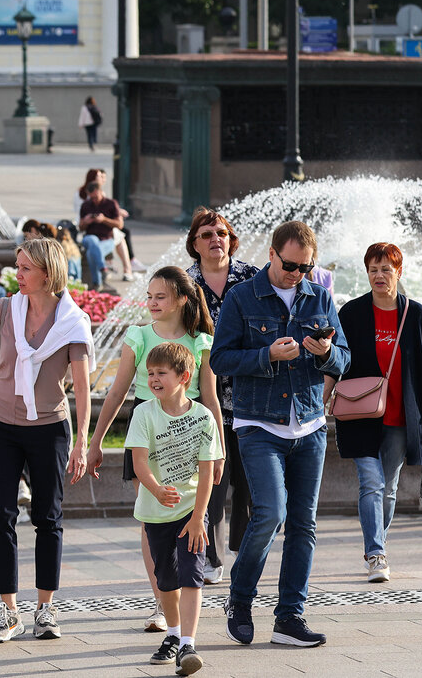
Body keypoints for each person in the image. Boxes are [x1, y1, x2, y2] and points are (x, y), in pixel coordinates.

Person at [210, 220, 349, 648]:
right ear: (271, 254)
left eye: (306, 268)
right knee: (270, 513)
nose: (297, 275)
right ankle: (240, 598)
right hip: (259, 423)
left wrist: (326, 353)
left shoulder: (321, 297)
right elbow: (220, 359)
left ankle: (290, 617)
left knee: (304, 524)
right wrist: (265, 354)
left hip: (309, 424)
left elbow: (344, 360)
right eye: (290, 265)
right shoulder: (241, 296)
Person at [0, 238, 94, 644]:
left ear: (47, 273)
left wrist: (82, 442)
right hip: (1, 423)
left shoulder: (73, 321)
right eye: (16, 266)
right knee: (1, 515)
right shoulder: (4, 309)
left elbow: (84, 389)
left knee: (47, 518)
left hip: (50, 427)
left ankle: (45, 608)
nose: (16, 274)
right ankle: (8, 610)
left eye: (24, 268)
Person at [83, 265, 223, 633]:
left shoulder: (201, 340)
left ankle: (181, 603)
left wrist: (219, 447)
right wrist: (95, 441)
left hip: (191, 432)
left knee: (190, 515)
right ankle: (162, 603)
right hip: (146, 431)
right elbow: (116, 392)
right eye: (149, 296)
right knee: (152, 521)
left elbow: (210, 397)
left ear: (181, 299)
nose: (152, 303)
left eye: (160, 296)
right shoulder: (138, 335)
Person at [328, 242, 422, 584]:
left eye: (386, 269)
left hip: (400, 416)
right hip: (360, 413)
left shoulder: (417, 315)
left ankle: (378, 543)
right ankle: (376, 553)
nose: (379, 275)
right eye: (373, 269)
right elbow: (339, 360)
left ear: (398, 272)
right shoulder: (351, 313)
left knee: (388, 489)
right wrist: (322, 396)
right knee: (372, 483)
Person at [128, 342, 223, 676]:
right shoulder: (143, 413)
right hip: (155, 512)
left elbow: (207, 470)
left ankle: (188, 643)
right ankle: (171, 633)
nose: (153, 379)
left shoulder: (203, 417)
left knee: (192, 574)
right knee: (165, 578)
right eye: (150, 373)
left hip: (191, 512)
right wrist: (155, 490)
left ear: (184, 377)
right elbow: (139, 463)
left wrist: (199, 517)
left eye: (161, 373)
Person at [184, 207, 258, 585]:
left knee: (247, 479)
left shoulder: (251, 278)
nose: (216, 240)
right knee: (210, 478)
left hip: (248, 396)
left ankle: (242, 550)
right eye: (207, 234)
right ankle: (209, 555)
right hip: (201, 398)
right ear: (194, 244)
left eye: (222, 233)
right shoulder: (185, 283)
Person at [79, 182, 133, 287]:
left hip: (106, 238)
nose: (94, 200)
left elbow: (120, 224)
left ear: (100, 192)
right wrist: (86, 221)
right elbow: (81, 227)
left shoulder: (111, 203)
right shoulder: (86, 205)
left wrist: (104, 219)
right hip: (90, 236)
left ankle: (97, 283)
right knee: (92, 240)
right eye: (91, 198)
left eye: (96, 197)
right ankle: (102, 267)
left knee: (91, 253)